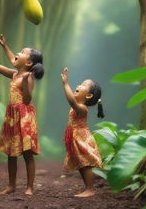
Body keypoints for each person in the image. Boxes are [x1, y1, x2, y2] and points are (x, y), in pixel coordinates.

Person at [0, 34, 44, 195]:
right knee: (11, 153)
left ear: (29, 63)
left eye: (22, 52)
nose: (17, 54)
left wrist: (25, 84)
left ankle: (30, 187)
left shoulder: (27, 77)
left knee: (27, 153)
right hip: (12, 116)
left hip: (24, 116)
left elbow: (27, 99)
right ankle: (11, 186)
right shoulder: (14, 73)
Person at [61, 67, 104, 197]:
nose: (79, 85)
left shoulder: (82, 108)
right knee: (80, 164)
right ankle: (87, 188)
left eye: (84, 85)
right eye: (81, 83)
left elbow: (71, 101)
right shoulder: (79, 105)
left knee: (85, 164)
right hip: (75, 137)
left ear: (89, 95)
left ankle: (90, 189)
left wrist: (66, 84)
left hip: (81, 138)